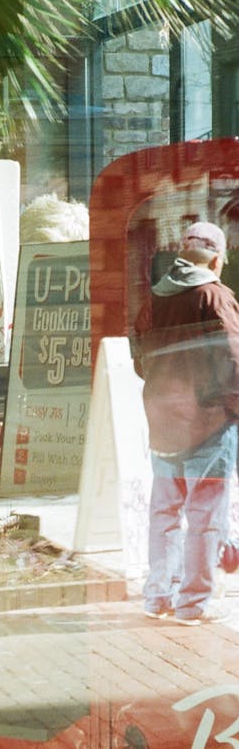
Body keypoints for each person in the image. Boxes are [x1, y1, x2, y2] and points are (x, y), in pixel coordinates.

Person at [132, 220, 239, 625]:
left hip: (162, 423)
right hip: (207, 423)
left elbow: (140, 357)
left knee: (164, 511)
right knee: (205, 513)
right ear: (215, 258)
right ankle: (192, 604)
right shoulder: (214, 295)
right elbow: (233, 359)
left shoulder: (154, 297)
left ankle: (158, 595)